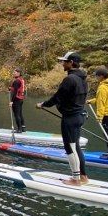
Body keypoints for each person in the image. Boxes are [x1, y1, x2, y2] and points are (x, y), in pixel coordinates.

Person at [37, 51, 89, 186]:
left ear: (71, 63)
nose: (62, 64)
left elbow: (57, 97)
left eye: (64, 61)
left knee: (70, 148)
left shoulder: (70, 79)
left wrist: (43, 104)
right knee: (76, 146)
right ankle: (83, 177)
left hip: (70, 119)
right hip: (80, 116)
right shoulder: (83, 78)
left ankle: (76, 180)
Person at [9, 67, 26, 133]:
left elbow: (15, 92)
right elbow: (17, 88)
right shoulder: (21, 79)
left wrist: (11, 101)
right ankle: (23, 128)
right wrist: (11, 88)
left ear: (19, 73)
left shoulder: (17, 81)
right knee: (20, 114)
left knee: (17, 115)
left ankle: (19, 130)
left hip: (16, 99)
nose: (13, 73)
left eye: (15, 72)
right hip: (21, 99)